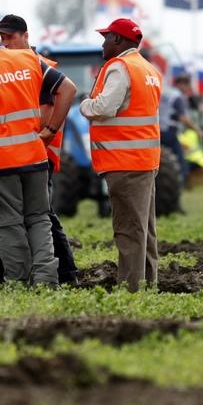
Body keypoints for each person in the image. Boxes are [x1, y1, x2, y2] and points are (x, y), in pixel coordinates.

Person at [0, 21, 73, 287]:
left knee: (8, 225)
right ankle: (45, 280)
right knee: (39, 220)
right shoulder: (30, 59)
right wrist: (51, 129)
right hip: (34, 157)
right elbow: (68, 89)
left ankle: (17, 283)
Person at [79, 18, 161, 292]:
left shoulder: (120, 67)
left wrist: (84, 105)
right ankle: (149, 284)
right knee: (144, 229)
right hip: (145, 160)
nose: (103, 43)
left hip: (124, 163)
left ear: (119, 40)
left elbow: (105, 106)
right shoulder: (148, 69)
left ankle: (130, 289)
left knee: (128, 230)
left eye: (107, 37)